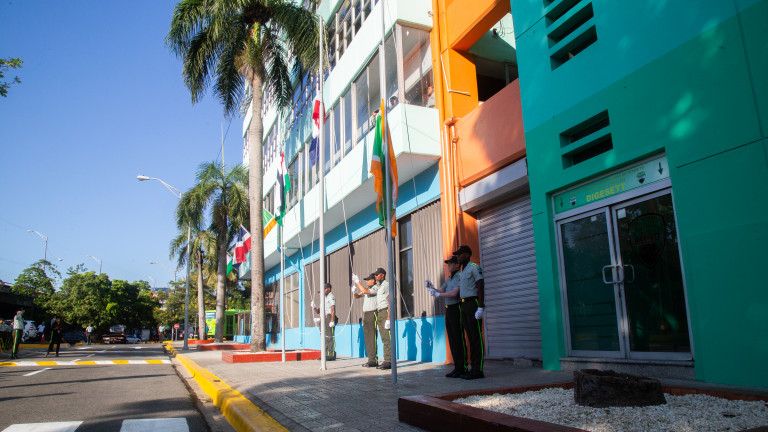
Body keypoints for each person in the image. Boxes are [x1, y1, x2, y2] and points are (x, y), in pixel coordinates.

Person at [427, 255, 466, 377]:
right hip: (448, 310)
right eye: (448, 263)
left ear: (457, 265)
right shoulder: (449, 279)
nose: (448, 265)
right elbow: (441, 290)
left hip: (456, 308)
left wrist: (439, 295)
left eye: (451, 263)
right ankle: (457, 367)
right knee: (452, 339)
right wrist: (431, 287)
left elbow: (454, 293)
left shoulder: (459, 276)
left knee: (458, 338)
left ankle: (463, 367)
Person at [453, 245, 485, 380]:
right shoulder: (462, 271)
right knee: (469, 337)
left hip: (473, 303)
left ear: (467, 254)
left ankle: (478, 369)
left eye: (460, 254)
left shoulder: (474, 267)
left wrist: (480, 307)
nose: (458, 257)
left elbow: (480, 287)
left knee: (476, 337)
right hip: (464, 304)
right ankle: (472, 367)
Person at [353, 273, 379, 367]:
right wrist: (354, 292)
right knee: (367, 337)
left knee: (372, 337)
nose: (367, 281)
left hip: (372, 313)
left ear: (373, 280)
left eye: (368, 280)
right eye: (366, 280)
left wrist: (357, 282)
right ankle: (370, 359)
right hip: (366, 314)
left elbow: (364, 291)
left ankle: (374, 360)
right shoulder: (368, 289)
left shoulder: (375, 288)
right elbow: (357, 296)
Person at [373, 268, 392, 370]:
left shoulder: (386, 285)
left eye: (377, 275)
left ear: (382, 275)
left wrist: (388, 317)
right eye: (375, 275)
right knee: (384, 338)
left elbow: (390, 301)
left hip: (385, 311)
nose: (375, 276)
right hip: (380, 312)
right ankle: (386, 360)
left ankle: (389, 361)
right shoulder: (379, 287)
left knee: (387, 338)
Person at [312, 283, 336, 360]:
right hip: (323, 318)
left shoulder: (331, 296)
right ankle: (325, 354)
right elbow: (318, 311)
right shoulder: (324, 298)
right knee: (323, 336)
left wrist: (332, 320)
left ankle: (331, 354)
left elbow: (332, 308)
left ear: (329, 289)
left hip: (328, 316)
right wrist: (314, 307)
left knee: (329, 335)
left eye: (324, 289)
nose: (323, 291)